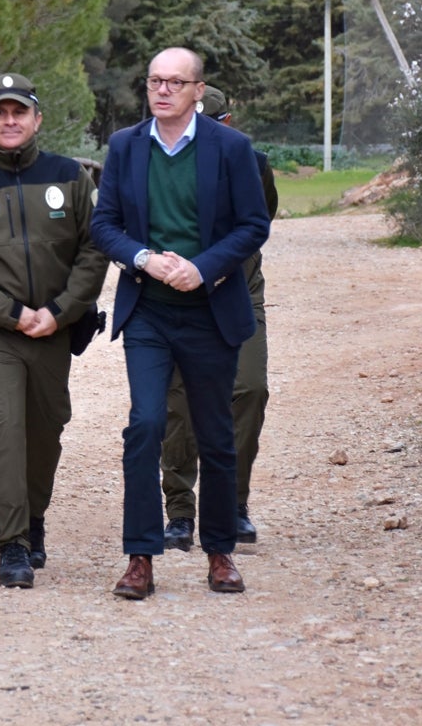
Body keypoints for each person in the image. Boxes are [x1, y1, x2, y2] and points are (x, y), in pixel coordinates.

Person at [91, 47, 270, 600]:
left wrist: (204, 267)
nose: (163, 90)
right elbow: (106, 223)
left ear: (198, 90)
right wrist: (142, 258)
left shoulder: (232, 148)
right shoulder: (125, 145)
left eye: (175, 82)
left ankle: (220, 554)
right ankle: (140, 557)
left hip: (211, 310)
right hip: (148, 309)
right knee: (145, 425)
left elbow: (252, 224)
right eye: (155, 81)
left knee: (216, 433)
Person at [0, 73, 108, 588]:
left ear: (37, 119)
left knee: (45, 431)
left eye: (20, 112)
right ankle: (11, 544)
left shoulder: (70, 177)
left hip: (54, 330)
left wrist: (61, 310)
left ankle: (33, 520)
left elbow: (93, 249)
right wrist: (11, 312)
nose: (10, 121)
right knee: (3, 432)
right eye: (0, 113)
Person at [161, 85, 278, 551]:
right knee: (179, 402)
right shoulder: (155, 165)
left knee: (249, 388)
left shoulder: (255, 163)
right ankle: (180, 511)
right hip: (174, 297)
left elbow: (258, 223)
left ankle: (232, 503)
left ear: (227, 124)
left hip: (236, 291)